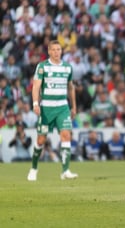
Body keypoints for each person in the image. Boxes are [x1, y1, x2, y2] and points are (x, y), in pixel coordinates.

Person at [27, 40, 78, 181]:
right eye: (53, 50)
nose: (56, 52)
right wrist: (35, 103)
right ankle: (34, 168)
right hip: (47, 108)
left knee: (66, 135)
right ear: (49, 51)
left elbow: (71, 87)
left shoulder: (67, 67)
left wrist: (74, 106)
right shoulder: (42, 67)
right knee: (41, 139)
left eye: (59, 49)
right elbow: (36, 87)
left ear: (61, 51)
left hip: (63, 107)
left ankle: (65, 171)